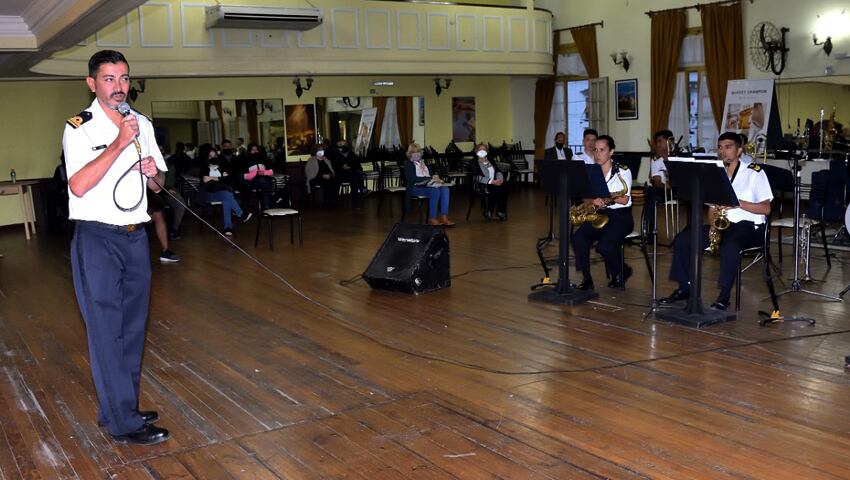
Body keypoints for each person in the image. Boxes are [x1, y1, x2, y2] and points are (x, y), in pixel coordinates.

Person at [63, 50, 169, 445]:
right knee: (106, 331)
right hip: (97, 237)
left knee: (132, 328)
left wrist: (152, 172)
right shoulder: (79, 127)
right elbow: (78, 185)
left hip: (135, 235)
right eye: (109, 79)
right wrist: (120, 145)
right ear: (92, 83)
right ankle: (124, 422)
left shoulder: (142, 123)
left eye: (124, 78)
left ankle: (119, 409)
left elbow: (157, 186)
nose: (119, 87)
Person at [659, 131, 773, 310]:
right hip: (723, 225)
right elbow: (712, 209)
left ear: (740, 150)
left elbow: (766, 208)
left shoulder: (754, 173)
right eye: (720, 148)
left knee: (730, 246)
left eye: (728, 147)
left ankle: (724, 295)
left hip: (749, 227)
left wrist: (736, 203)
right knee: (683, 239)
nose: (723, 152)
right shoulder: (715, 174)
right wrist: (713, 227)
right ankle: (684, 288)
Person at [570, 135, 634, 290]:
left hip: (621, 216)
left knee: (605, 246)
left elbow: (625, 199)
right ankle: (587, 279)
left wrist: (604, 198)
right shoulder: (591, 171)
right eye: (595, 150)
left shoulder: (623, 171)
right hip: (600, 214)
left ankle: (623, 270)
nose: (597, 154)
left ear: (611, 152)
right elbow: (585, 196)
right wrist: (592, 201)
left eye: (602, 150)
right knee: (578, 238)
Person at [198, 143, 253, 236]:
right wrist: (220, 177)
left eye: (215, 155)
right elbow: (206, 182)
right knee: (228, 195)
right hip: (209, 194)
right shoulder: (204, 168)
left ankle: (228, 227)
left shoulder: (222, 166)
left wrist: (213, 178)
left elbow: (229, 179)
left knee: (227, 196)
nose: (213, 157)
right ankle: (240, 215)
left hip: (223, 192)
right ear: (207, 157)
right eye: (210, 156)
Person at [404, 143, 455, 226]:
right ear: (409, 154)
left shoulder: (425, 164)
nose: (416, 154)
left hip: (428, 186)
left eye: (418, 152)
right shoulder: (408, 165)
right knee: (434, 191)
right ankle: (432, 218)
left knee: (445, 189)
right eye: (413, 152)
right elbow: (413, 179)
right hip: (415, 187)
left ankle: (444, 217)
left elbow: (430, 176)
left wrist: (436, 179)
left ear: (421, 153)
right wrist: (430, 179)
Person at [469, 143, 508, 220]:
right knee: (492, 189)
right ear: (476, 151)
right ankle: (488, 210)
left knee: (504, 187)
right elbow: (476, 177)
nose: (482, 151)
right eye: (480, 149)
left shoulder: (490, 159)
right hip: (482, 184)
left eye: (484, 149)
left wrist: (499, 180)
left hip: (494, 181)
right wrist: (490, 181)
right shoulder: (473, 162)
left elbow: (497, 171)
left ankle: (500, 211)